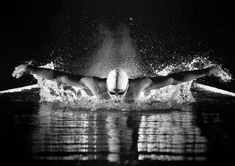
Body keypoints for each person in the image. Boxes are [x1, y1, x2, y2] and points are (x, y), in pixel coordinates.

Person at [12, 64, 221, 101]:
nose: (116, 98)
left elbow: (175, 78)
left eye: (119, 94)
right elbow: (58, 76)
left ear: (128, 86)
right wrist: (30, 69)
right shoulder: (93, 84)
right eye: (113, 93)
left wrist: (206, 71)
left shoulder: (141, 85)